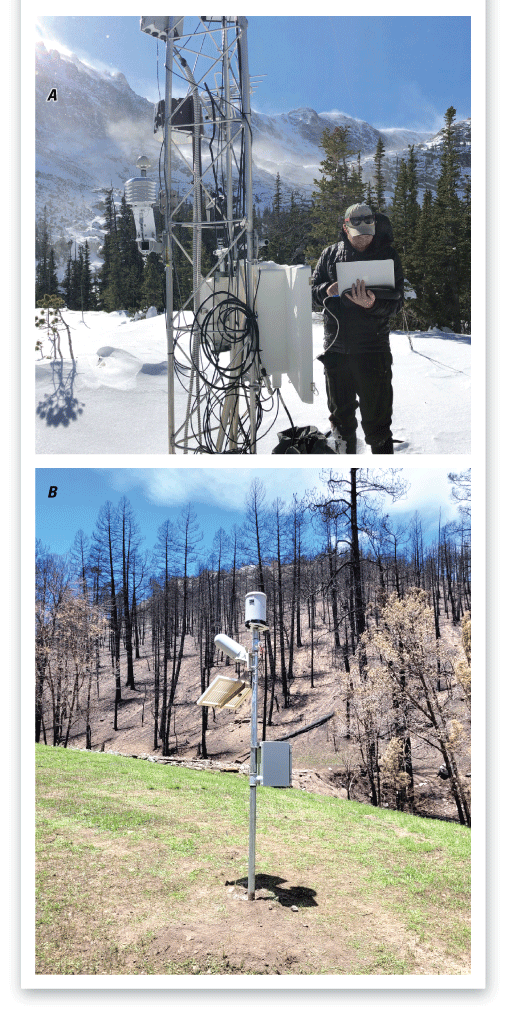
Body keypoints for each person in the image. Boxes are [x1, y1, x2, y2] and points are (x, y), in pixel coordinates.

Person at [311, 202, 404, 454]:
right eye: (357, 227)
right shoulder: (330, 254)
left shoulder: (388, 255)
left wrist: (372, 304)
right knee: (340, 420)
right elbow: (311, 293)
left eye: (368, 226)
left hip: (373, 349)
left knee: (378, 422)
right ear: (346, 227)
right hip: (336, 349)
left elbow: (397, 303)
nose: (363, 234)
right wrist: (325, 290)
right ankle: (346, 464)